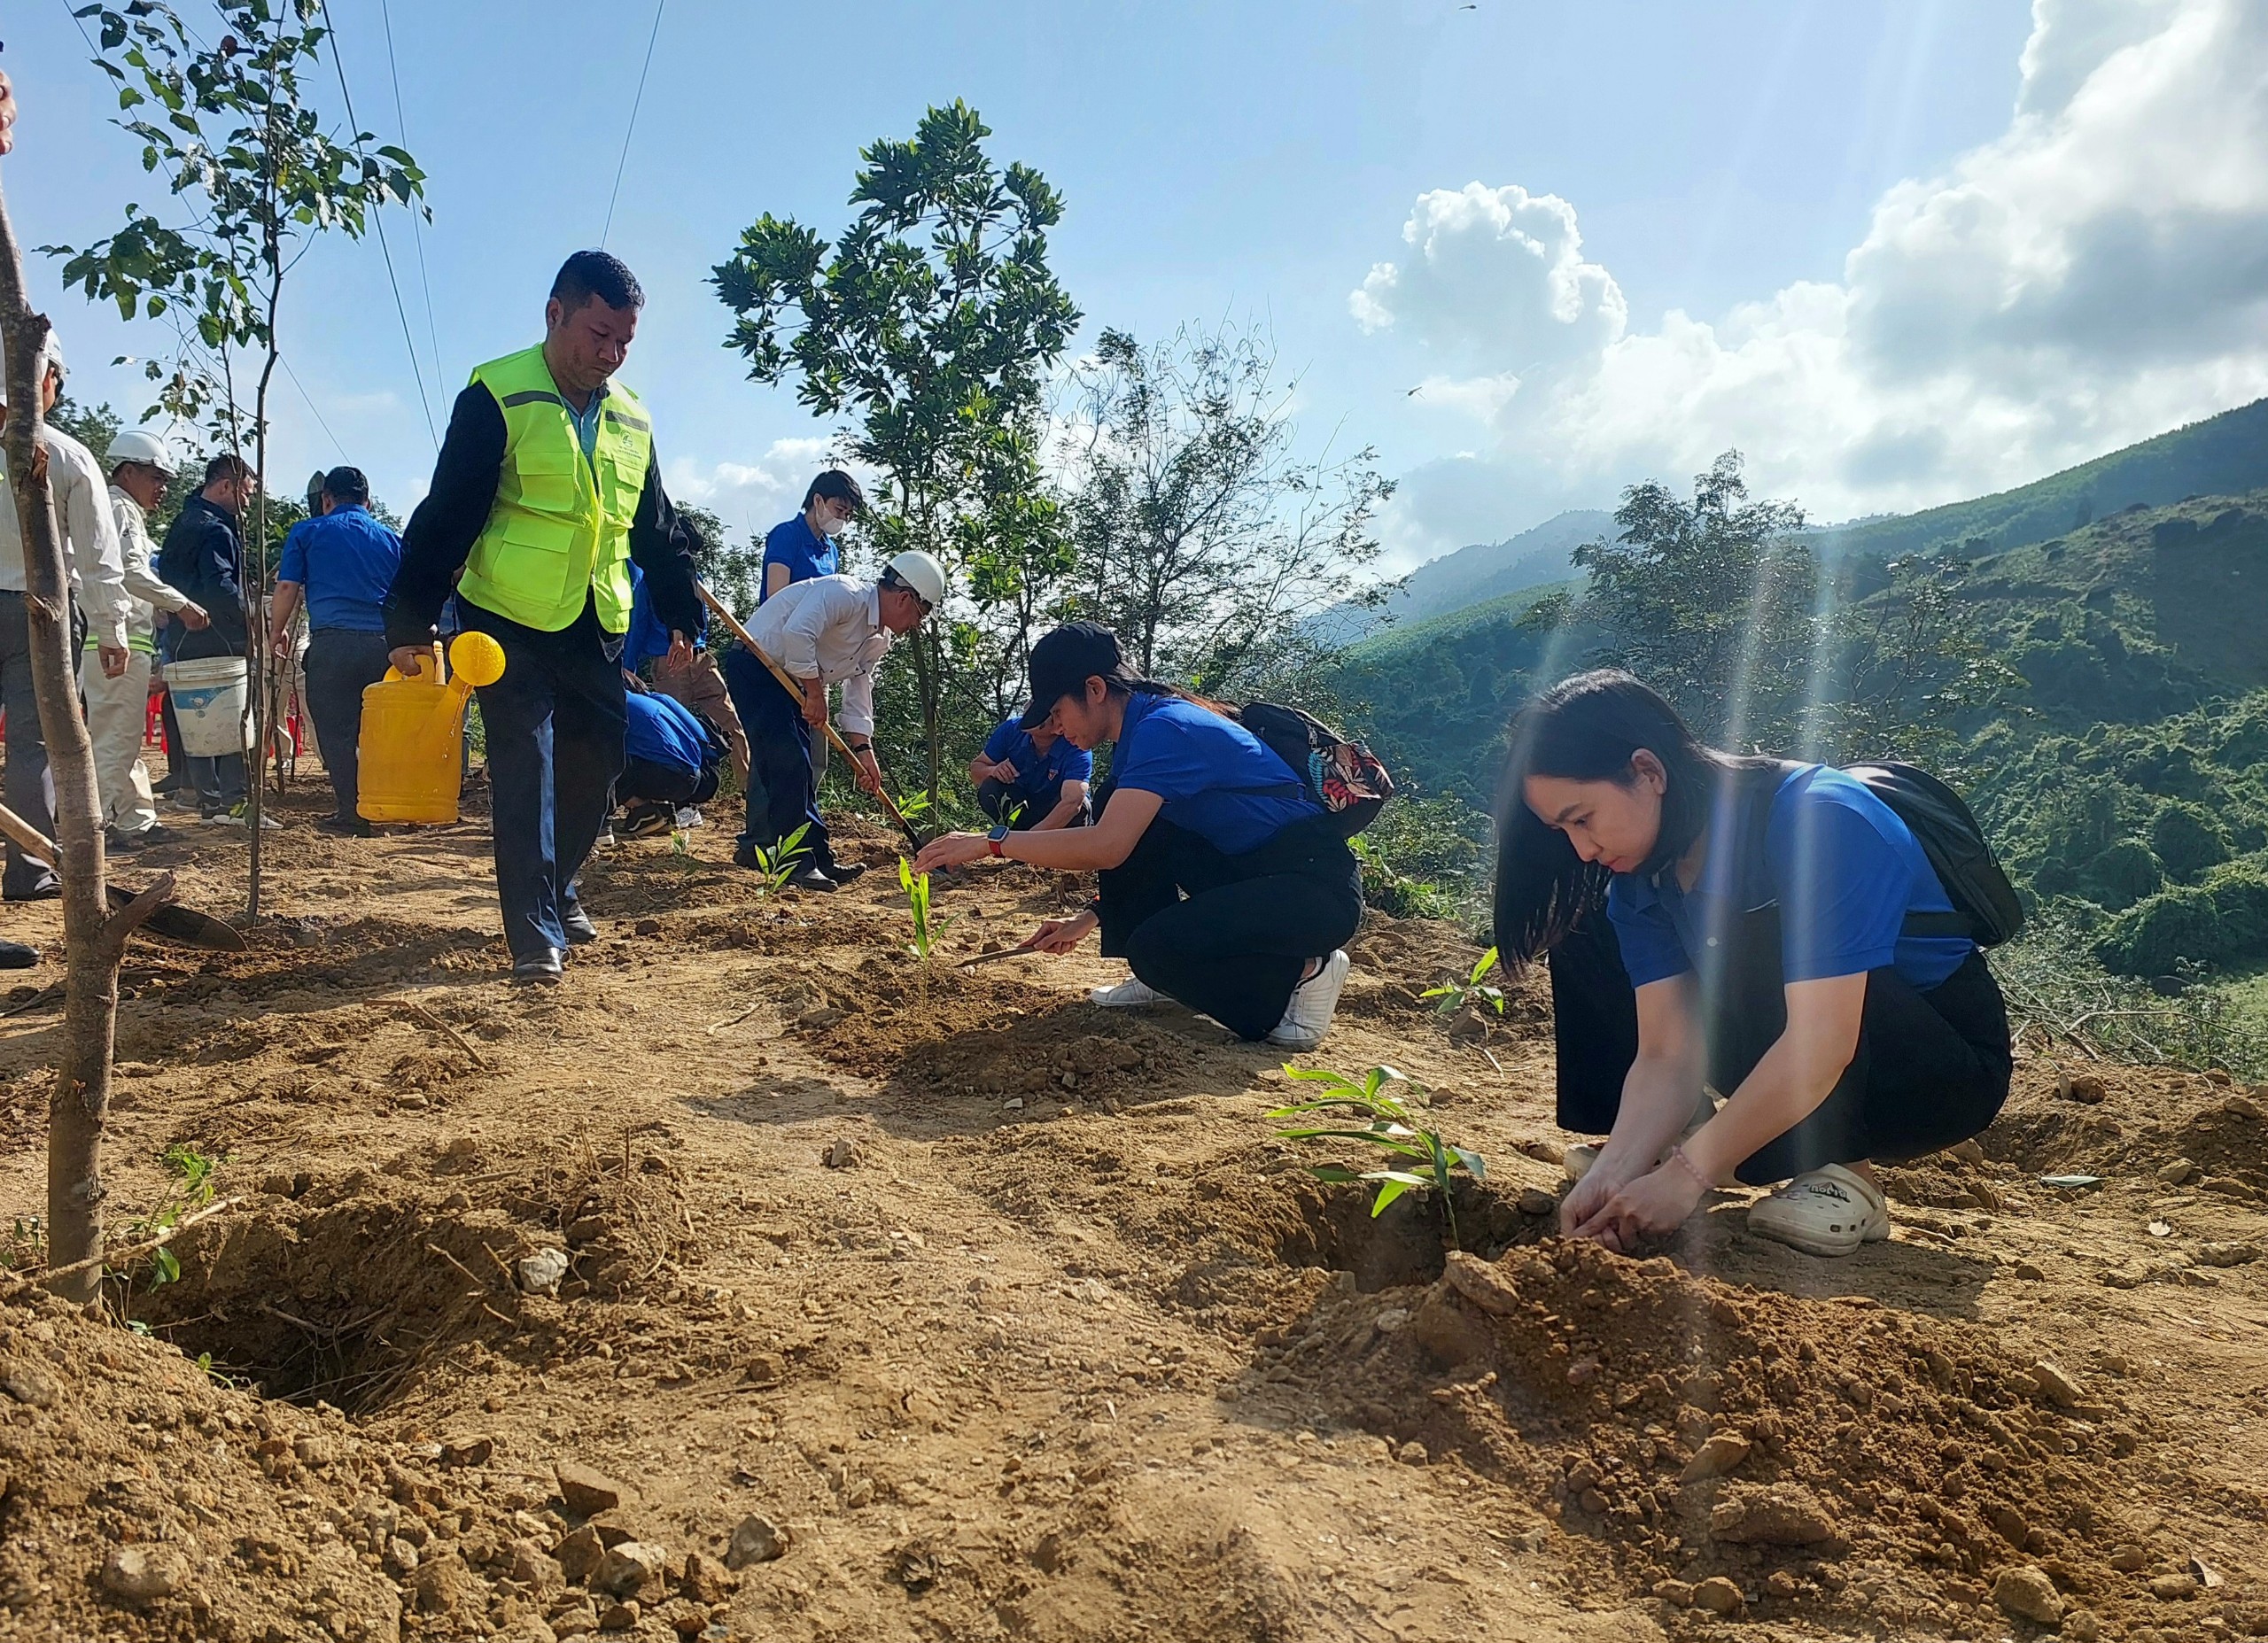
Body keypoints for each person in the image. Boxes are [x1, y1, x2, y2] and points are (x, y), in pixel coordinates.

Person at [1494, 670, 2014, 1260]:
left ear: (1648, 772)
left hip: (1935, 1071)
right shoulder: (1646, 874)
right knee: (1593, 918)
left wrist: (1687, 1178)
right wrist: (1615, 1170)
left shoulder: (1819, 820)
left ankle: (1845, 1174)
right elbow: (1665, 1053)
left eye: (1582, 818)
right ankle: (1669, 1140)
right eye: (1562, 830)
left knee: (1746, 924)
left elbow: (1823, 1041)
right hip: (1806, 1053)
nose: (1582, 848)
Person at [384, 250, 703, 985]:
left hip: (596, 618)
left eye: (624, 341)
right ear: (555, 314)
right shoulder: (497, 395)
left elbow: (655, 524)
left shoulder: (631, 416)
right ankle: (533, 934)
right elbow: (447, 513)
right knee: (525, 765)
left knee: (601, 761)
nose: (611, 354)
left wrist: (682, 607)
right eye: (599, 334)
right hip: (504, 619)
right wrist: (409, 618)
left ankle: (557, 886)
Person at [913, 622, 1361, 1050]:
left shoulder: (1165, 728)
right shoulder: (1144, 727)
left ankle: (1305, 970)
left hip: (1310, 892)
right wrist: (1088, 919)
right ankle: (1160, 979)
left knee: (1154, 951)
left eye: (1057, 712)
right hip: (1256, 871)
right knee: (1116, 803)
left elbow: (1107, 847)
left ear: (1094, 689)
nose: (1056, 728)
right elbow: (1138, 843)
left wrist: (993, 842)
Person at [720, 554, 943, 891]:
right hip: (757, 665)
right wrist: (815, 692)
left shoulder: (878, 639)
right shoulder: (845, 594)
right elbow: (797, 632)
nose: (916, 624)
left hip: (791, 681)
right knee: (789, 764)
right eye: (920, 615)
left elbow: (859, 689)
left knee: (800, 767)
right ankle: (794, 863)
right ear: (903, 598)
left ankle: (814, 858)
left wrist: (864, 751)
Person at [0, 338, 132, 897]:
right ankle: (29, 870)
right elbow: (99, 556)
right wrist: (112, 628)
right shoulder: (67, 456)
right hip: (41, 614)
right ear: (46, 377)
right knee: (33, 745)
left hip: (37, 611)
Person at [268, 465, 403, 836]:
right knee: (380, 732)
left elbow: (286, 588)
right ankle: (384, 805)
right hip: (383, 648)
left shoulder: (308, 532)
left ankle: (352, 812)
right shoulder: (392, 539)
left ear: (326, 499)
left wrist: (277, 631)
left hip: (332, 644)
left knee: (336, 731)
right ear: (368, 503)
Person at [98, 430, 208, 850]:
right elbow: (130, 572)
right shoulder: (119, 508)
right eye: (155, 477)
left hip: (125, 640)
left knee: (122, 737)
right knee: (115, 739)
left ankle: (135, 820)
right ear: (127, 472)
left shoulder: (119, 508)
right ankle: (93, 828)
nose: (162, 488)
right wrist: (179, 603)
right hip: (114, 642)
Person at [156, 451, 267, 825]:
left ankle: (207, 801)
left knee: (197, 718)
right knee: (232, 718)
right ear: (225, 486)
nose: (247, 503)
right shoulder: (216, 530)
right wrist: (251, 615)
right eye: (245, 493)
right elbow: (220, 587)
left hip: (183, 637)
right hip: (218, 638)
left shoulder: (183, 522)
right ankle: (233, 803)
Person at [759, 470, 863, 786]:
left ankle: (807, 804)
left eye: (847, 515)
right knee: (779, 747)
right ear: (818, 501)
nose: (842, 519)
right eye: (838, 509)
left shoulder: (831, 551)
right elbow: (777, 597)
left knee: (816, 751)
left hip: (816, 663)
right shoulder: (786, 535)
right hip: (779, 655)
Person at [630, 557, 747, 794]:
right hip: (669, 662)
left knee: (733, 725)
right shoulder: (648, 583)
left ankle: (750, 791)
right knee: (671, 731)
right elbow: (638, 625)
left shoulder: (694, 579)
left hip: (701, 658)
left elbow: (700, 620)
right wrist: (628, 667)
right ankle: (674, 800)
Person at [613, 681, 725, 839]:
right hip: (700, 771)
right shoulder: (656, 700)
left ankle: (643, 812)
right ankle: (666, 812)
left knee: (606, 756)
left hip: (694, 774)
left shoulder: (622, 705)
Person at [968, 711, 1090, 831]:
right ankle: (1006, 834)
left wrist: (1029, 838)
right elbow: (975, 769)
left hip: (1055, 814)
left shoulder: (1077, 745)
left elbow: (1072, 803)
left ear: (1059, 728)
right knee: (990, 786)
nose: (1029, 707)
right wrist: (993, 771)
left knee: (1081, 804)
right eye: (1031, 702)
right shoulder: (1011, 728)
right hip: (1021, 804)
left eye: (1039, 708)